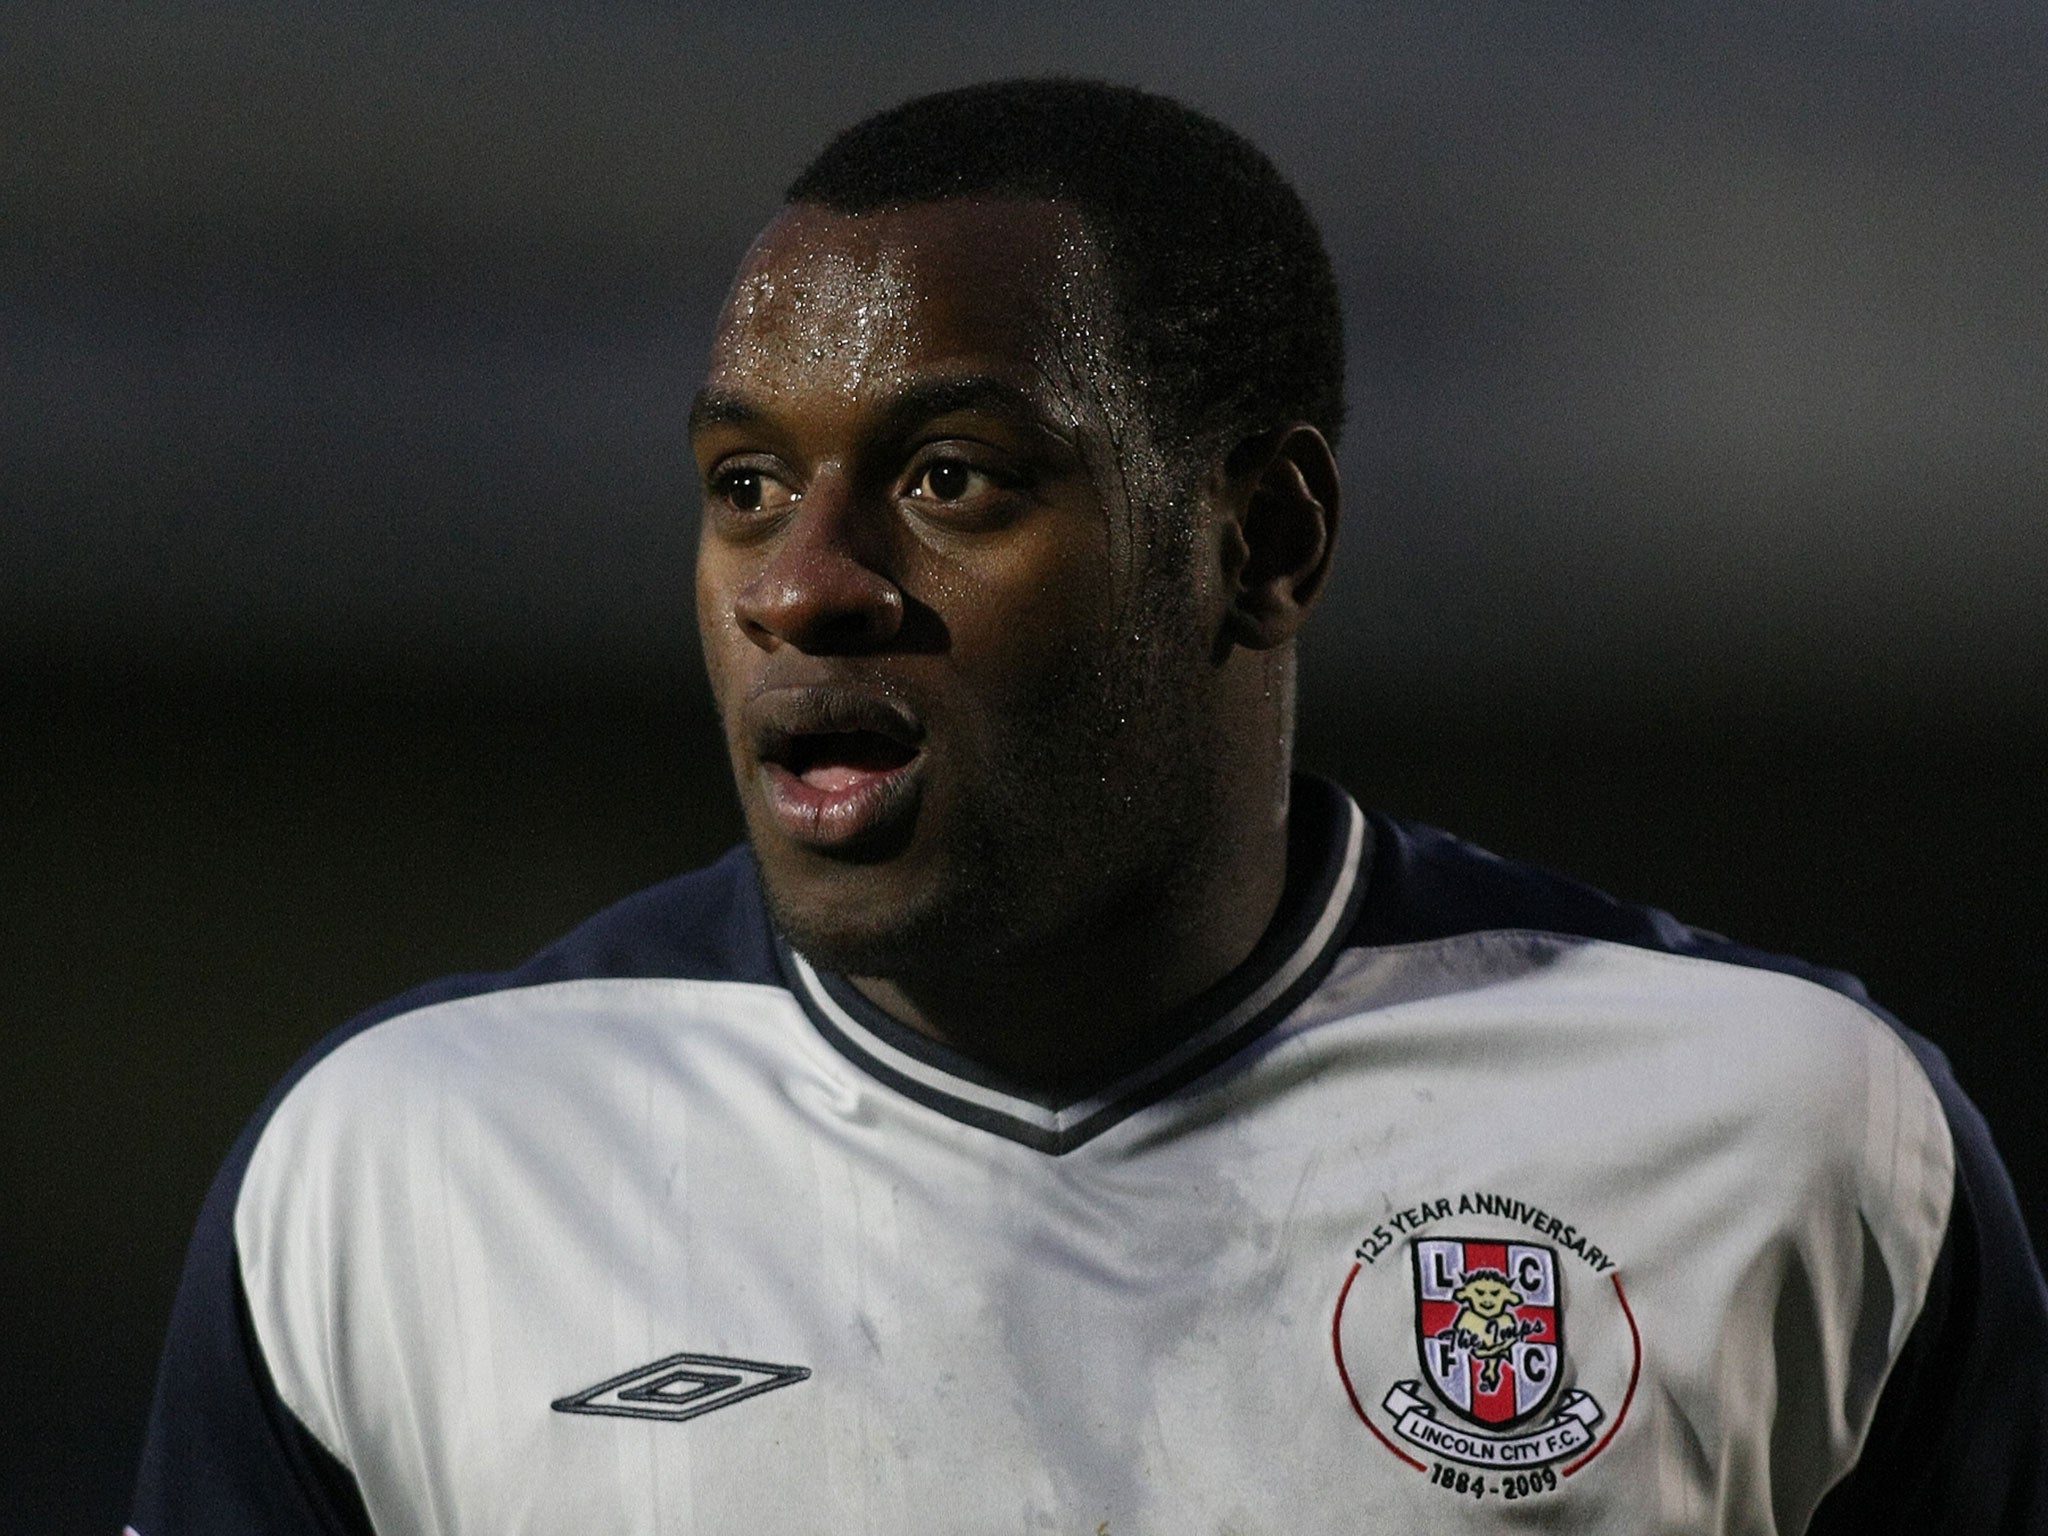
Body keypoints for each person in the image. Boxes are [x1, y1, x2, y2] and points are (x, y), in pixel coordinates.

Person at [131, 79, 2046, 1534]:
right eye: (741, 487)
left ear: (1261, 535)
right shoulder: (406, 1175)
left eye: (950, 477)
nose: (800, 583)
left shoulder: (1784, 1135)